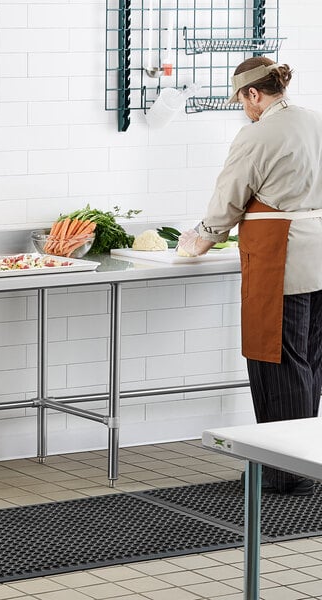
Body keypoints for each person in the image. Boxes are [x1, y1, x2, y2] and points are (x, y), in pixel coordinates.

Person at [177, 56, 322, 496]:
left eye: (243, 100)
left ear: (252, 94)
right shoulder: (315, 121)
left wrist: (199, 239)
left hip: (281, 254)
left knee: (276, 360)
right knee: (310, 361)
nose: (244, 109)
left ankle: (284, 473)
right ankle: (305, 464)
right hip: (319, 252)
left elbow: (229, 198)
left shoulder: (257, 135)